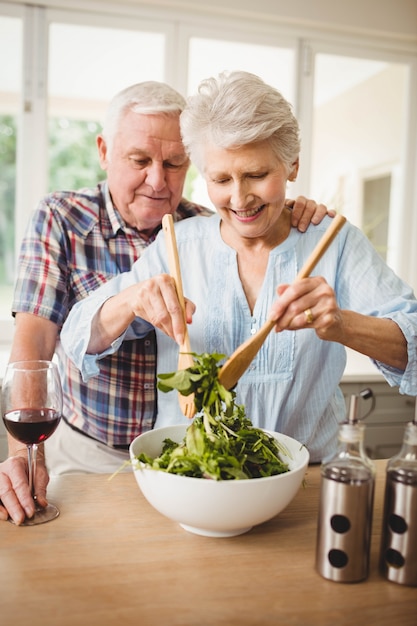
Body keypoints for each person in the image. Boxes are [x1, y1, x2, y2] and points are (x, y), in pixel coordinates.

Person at [0, 80, 329, 525]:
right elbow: (33, 347)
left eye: (175, 163)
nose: (158, 180)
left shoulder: (210, 226)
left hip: (179, 460)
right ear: (103, 151)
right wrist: (24, 453)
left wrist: (293, 212)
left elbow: (262, 222)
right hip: (88, 452)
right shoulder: (62, 218)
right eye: (140, 160)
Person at [61, 70, 417, 470]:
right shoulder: (178, 244)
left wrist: (341, 325)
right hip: (192, 480)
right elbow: (77, 337)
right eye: (221, 179)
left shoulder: (332, 242)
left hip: (306, 486)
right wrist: (130, 301)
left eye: (257, 175)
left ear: (292, 165)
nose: (239, 198)